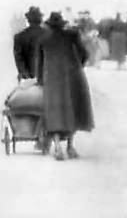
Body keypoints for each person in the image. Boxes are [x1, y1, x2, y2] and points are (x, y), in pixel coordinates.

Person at [33, 11, 94, 160]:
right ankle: (70, 147)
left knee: (54, 112)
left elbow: (39, 63)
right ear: (62, 24)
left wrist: (40, 80)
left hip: (52, 78)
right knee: (73, 109)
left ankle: (58, 148)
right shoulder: (71, 35)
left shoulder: (43, 39)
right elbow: (84, 54)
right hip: (72, 75)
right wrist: (78, 65)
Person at [13, 6, 46, 80]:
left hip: (28, 79)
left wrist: (25, 75)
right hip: (47, 78)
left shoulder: (19, 37)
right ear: (40, 19)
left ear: (28, 20)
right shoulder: (48, 35)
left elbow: (19, 59)